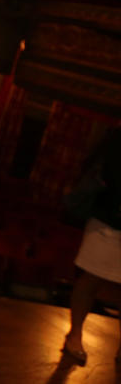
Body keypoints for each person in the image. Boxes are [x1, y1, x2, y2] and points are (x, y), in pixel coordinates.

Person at [62, 127, 121, 366]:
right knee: (91, 277)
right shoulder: (117, 135)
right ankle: (75, 334)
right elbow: (113, 173)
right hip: (109, 216)